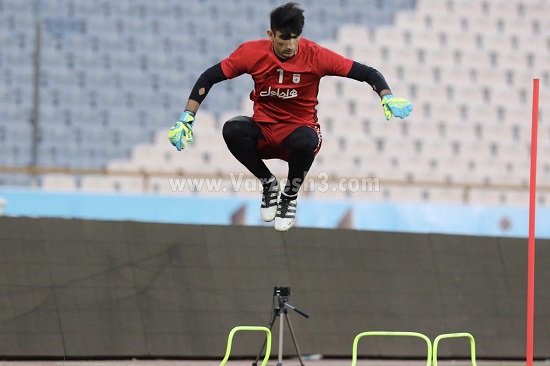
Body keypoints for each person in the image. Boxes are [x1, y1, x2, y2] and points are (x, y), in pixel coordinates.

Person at [168, 2, 412, 232]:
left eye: (295, 37)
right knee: (231, 129)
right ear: (271, 34)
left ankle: (289, 196)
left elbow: (367, 72)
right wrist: (187, 117)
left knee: (306, 140)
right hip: (264, 131)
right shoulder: (251, 53)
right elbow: (209, 77)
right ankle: (268, 184)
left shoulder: (315, 55)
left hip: (298, 133)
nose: (290, 44)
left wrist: (386, 96)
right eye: (284, 38)